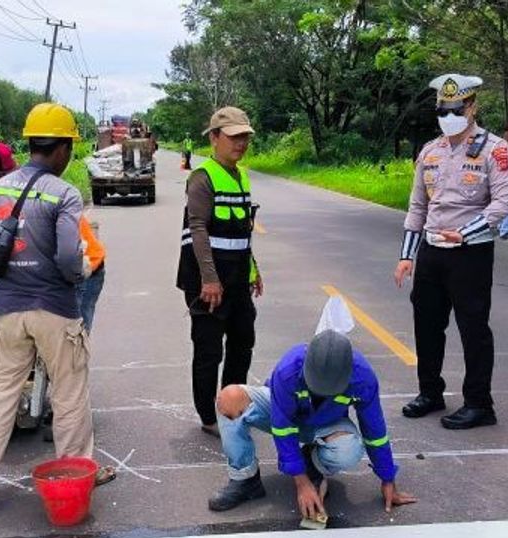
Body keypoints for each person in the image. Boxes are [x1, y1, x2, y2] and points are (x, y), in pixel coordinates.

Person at [0, 103, 114, 520]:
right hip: (55, 311)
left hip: (8, 311)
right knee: (70, 393)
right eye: (70, 147)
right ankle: (76, 474)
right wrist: (82, 268)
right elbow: (66, 258)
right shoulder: (64, 194)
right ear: (60, 148)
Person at [394, 74, 508, 430]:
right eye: (443, 109)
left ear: (472, 106)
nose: (449, 115)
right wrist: (406, 256)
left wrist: (465, 233)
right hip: (432, 252)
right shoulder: (430, 152)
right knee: (427, 325)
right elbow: (417, 207)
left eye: (456, 109)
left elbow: (504, 202)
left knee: (473, 328)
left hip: (470, 254)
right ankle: (430, 392)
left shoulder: (495, 149)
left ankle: (479, 403)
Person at [208, 330, 417, 517]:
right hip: (285, 415)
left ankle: (312, 463)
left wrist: (388, 478)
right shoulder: (288, 369)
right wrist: (301, 483)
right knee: (229, 399)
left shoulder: (363, 378)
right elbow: (283, 428)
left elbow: (375, 431)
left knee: (349, 450)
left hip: (327, 424)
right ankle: (245, 480)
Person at [177, 107, 263, 437]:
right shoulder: (202, 177)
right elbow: (197, 228)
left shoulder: (241, 175)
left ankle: (232, 404)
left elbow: (243, 230)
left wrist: (254, 270)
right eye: (233, 137)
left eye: (245, 137)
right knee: (209, 350)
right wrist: (210, 280)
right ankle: (209, 417)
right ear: (214, 138)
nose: (240, 143)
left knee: (243, 342)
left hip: (238, 277)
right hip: (208, 280)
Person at [0, 140, 106, 331]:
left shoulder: (25, 189)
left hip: (84, 267)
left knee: (71, 341)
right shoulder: (6, 191)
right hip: (64, 268)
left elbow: (67, 257)